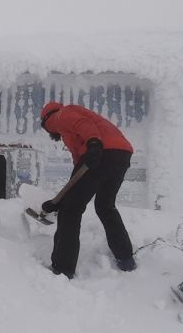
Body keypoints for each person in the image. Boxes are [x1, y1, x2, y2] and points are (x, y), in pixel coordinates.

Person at [39, 100, 137, 277]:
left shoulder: (60, 116)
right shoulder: (70, 132)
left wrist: (93, 143)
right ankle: (125, 259)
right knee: (105, 206)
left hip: (101, 151)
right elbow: (79, 166)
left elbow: (83, 124)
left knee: (70, 210)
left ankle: (62, 269)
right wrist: (59, 200)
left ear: (46, 121)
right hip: (121, 154)